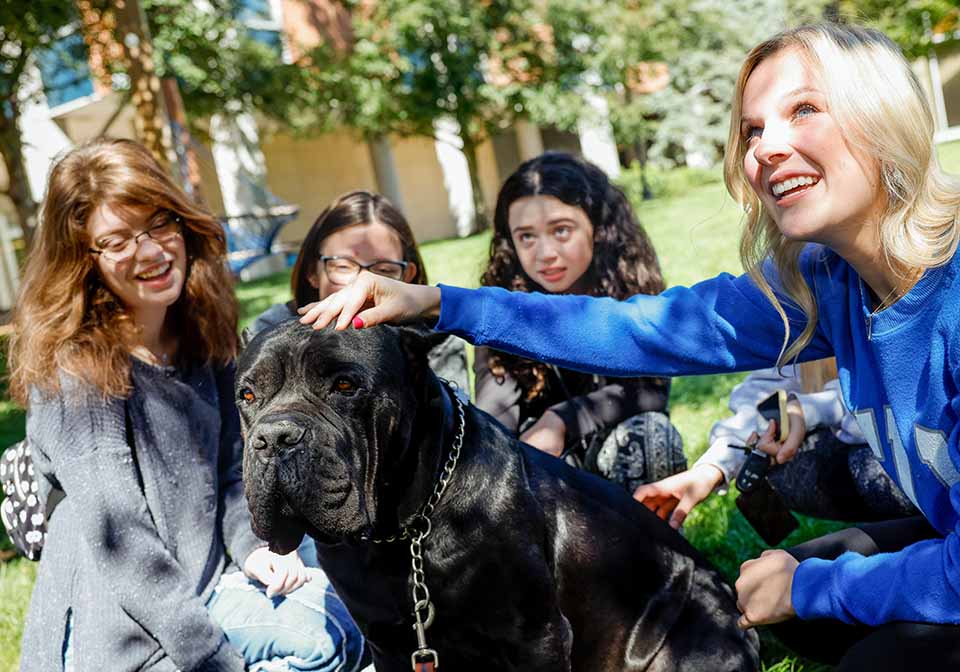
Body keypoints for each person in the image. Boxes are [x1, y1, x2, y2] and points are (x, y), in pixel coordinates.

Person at [298, 23, 960, 668]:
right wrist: (441, 302)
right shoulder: (826, 281)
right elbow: (644, 330)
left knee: (861, 639)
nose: (766, 148)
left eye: (805, 110)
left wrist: (816, 588)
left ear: (882, 116)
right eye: (753, 129)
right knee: (778, 595)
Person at [8, 138, 366, 672]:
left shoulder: (202, 337)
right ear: (84, 261)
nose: (150, 251)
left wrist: (253, 549)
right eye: (117, 241)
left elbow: (229, 476)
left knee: (346, 622)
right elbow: (124, 545)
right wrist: (215, 662)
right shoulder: (77, 371)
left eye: (158, 223)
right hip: (118, 635)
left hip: (206, 587)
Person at [474, 152, 684, 492]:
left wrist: (562, 420)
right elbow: (493, 413)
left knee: (652, 435)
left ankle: (652, 546)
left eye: (561, 230)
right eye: (526, 236)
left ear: (598, 229)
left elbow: (651, 390)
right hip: (543, 472)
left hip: (616, 451)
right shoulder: (502, 305)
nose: (545, 254)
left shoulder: (629, 292)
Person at [635, 359, 916, 530]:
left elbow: (897, 395)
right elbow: (767, 391)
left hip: (923, 445)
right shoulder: (806, 283)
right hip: (845, 429)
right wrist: (713, 468)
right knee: (778, 468)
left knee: (871, 468)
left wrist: (811, 409)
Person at [250, 189, 468, 394]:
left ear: (407, 276)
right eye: (343, 266)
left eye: (384, 270)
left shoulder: (433, 338)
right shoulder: (268, 333)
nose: (362, 285)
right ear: (312, 272)